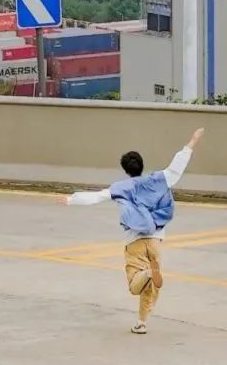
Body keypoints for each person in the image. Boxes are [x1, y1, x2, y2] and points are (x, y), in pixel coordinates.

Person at [60, 127, 205, 334]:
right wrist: (192, 141)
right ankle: (141, 322)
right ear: (141, 165)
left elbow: (96, 197)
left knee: (135, 284)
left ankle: (148, 273)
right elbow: (177, 166)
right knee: (149, 287)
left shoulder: (121, 187)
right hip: (155, 240)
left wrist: (70, 199)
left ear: (125, 170)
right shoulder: (158, 179)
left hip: (134, 241)